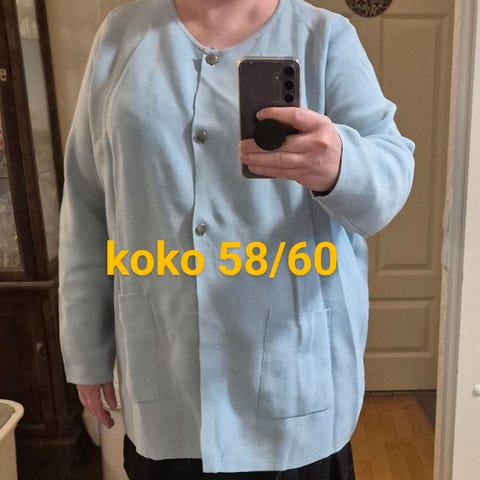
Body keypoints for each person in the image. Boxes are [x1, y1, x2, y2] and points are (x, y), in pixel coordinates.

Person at [58, 0, 415, 479]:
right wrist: (87, 350)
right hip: (167, 381)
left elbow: (391, 178)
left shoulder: (324, 37)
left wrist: (339, 165)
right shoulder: (122, 35)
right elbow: (86, 203)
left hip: (294, 389)